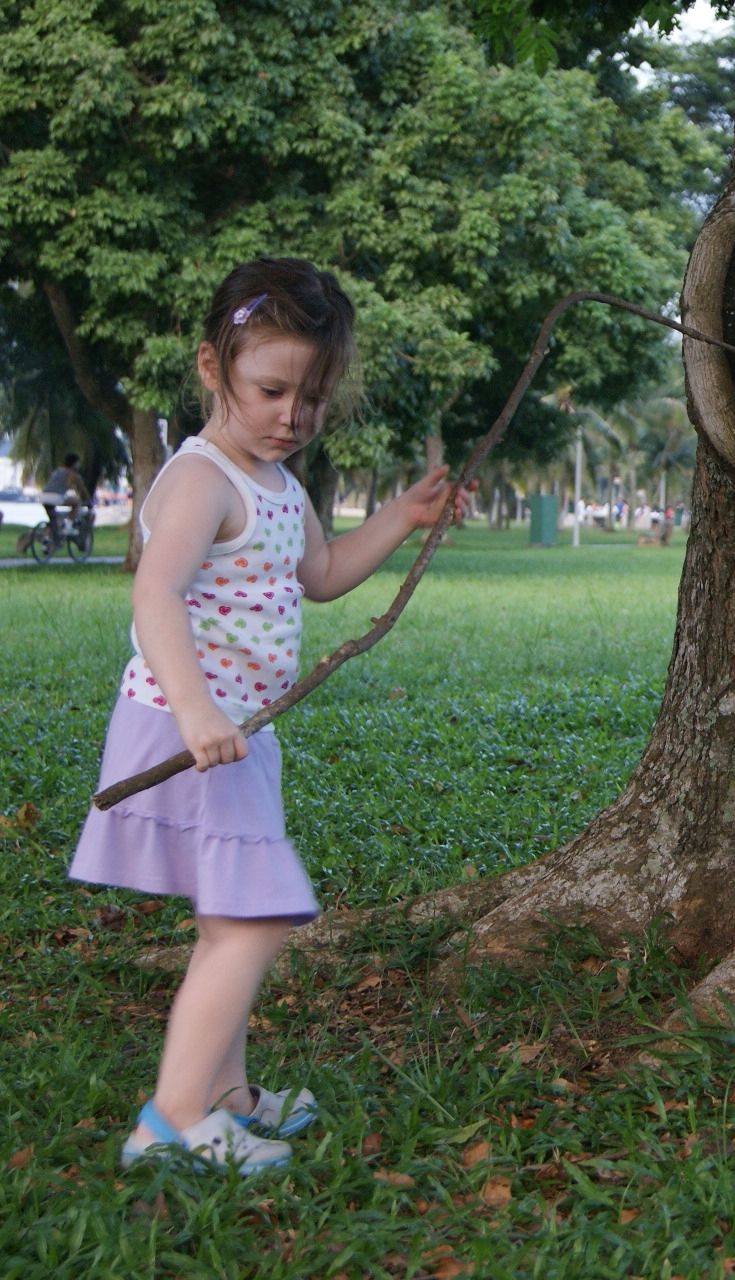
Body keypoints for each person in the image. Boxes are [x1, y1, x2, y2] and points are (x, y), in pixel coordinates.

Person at [69, 258, 465, 1174]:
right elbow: (156, 595)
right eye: (272, 390)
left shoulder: (282, 487)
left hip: (237, 738)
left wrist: (404, 518)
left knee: (230, 920)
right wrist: (200, 711)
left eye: (313, 397)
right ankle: (168, 1127)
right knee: (251, 924)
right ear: (213, 369)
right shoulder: (204, 479)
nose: (293, 417)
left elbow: (319, 579)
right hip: (186, 733)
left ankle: (227, 1097)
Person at [40, 451, 88, 530]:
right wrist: (88, 500)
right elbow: (82, 490)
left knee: (53, 520)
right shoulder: (74, 475)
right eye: (78, 463)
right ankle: (68, 527)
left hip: (43, 496)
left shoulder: (57, 471)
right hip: (55, 497)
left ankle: (47, 537)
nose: (79, 465)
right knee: (77, 503)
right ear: (75, 464)